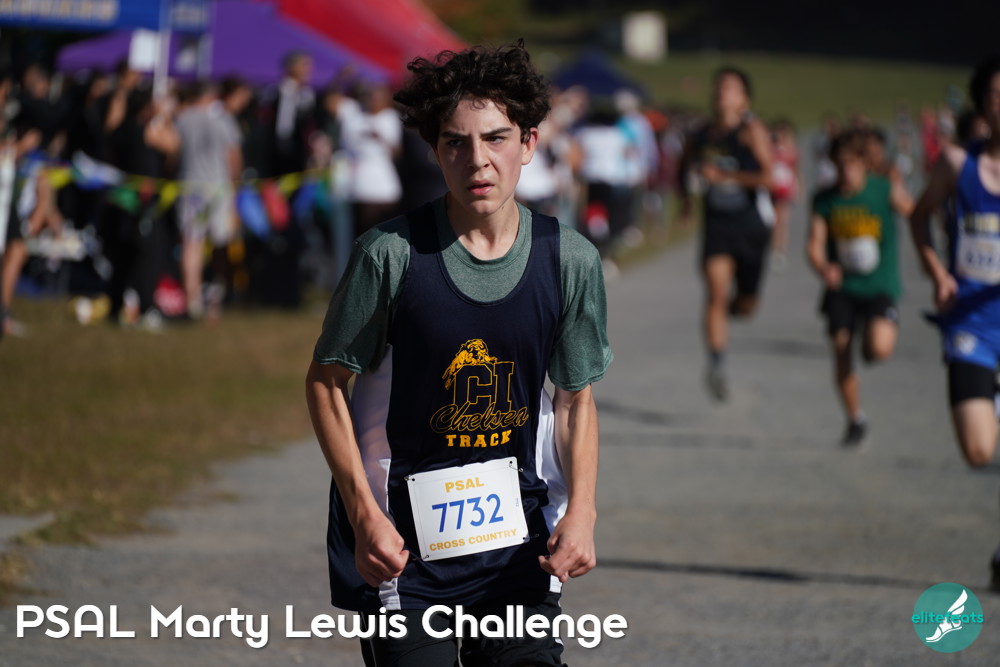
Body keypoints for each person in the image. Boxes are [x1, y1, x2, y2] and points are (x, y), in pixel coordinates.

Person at [305, 41, 612, 666]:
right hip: (405, 555)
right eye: (455, 143)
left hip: (518, 550)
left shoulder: (569, 260)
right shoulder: (388, 256)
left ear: (529, 143)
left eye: (496, 138)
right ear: (434, 150)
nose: (478, 160)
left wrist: (581, 511)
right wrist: (364, 514)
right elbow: (326, 383)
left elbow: (575, 400)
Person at [908, 56, 1000, 590]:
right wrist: (938, 273)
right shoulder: (957, 163)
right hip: (972, 324)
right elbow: (919, 216)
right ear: (983, 104)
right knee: (979, 450)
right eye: (997, 95)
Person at [808, 129, 913, 446]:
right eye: (840, 164)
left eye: (852, 163)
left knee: (879, 349)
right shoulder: (825, 199)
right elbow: (814, 244)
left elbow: (915, 213)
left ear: (865, 163)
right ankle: (855, 419)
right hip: (842, 287)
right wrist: (823, 267)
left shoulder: (882, 189)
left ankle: (869, 343)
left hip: (879, 284)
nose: (846, 170)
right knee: (841, 349)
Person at [678, 66, 774, 401]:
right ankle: (716, 363)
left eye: (730, 88)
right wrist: (686, 204)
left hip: (751, 225)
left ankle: (736, 307)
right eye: (719, 86)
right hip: (717, 225)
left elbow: (768, 177)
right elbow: (683, 166)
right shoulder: (702, 134)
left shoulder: (751, 131)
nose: (722, 92)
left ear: (744, 99)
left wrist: (725, 177)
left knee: (746, 305)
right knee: (715, 293)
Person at [175, 81, 242, 320]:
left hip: (190, 187)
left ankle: (193, 300)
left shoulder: (182, 119)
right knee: (220, 243)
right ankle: (216, 294)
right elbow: (234, 156)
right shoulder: (223, 119)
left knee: (191, 243)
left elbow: (174, 151)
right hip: (218, 188)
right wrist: (235, 185)